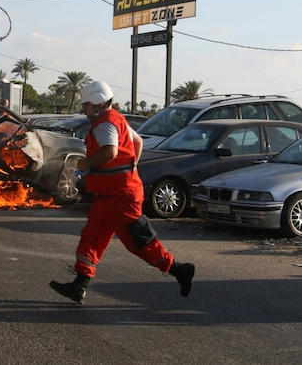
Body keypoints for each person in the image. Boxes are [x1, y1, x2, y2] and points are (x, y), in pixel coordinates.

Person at [49, 81, 194, 304]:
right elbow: (136, 142)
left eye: (86, 105)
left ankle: (178, 270)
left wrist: (87, 164)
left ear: (97, 104)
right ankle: (80, 284)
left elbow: (110, 151)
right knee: (92, 236)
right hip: (109, 196)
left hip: (121, 198)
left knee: (139, 242)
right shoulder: (114, 119)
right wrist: (129, 167)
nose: (84, 110)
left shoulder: (104, 125)